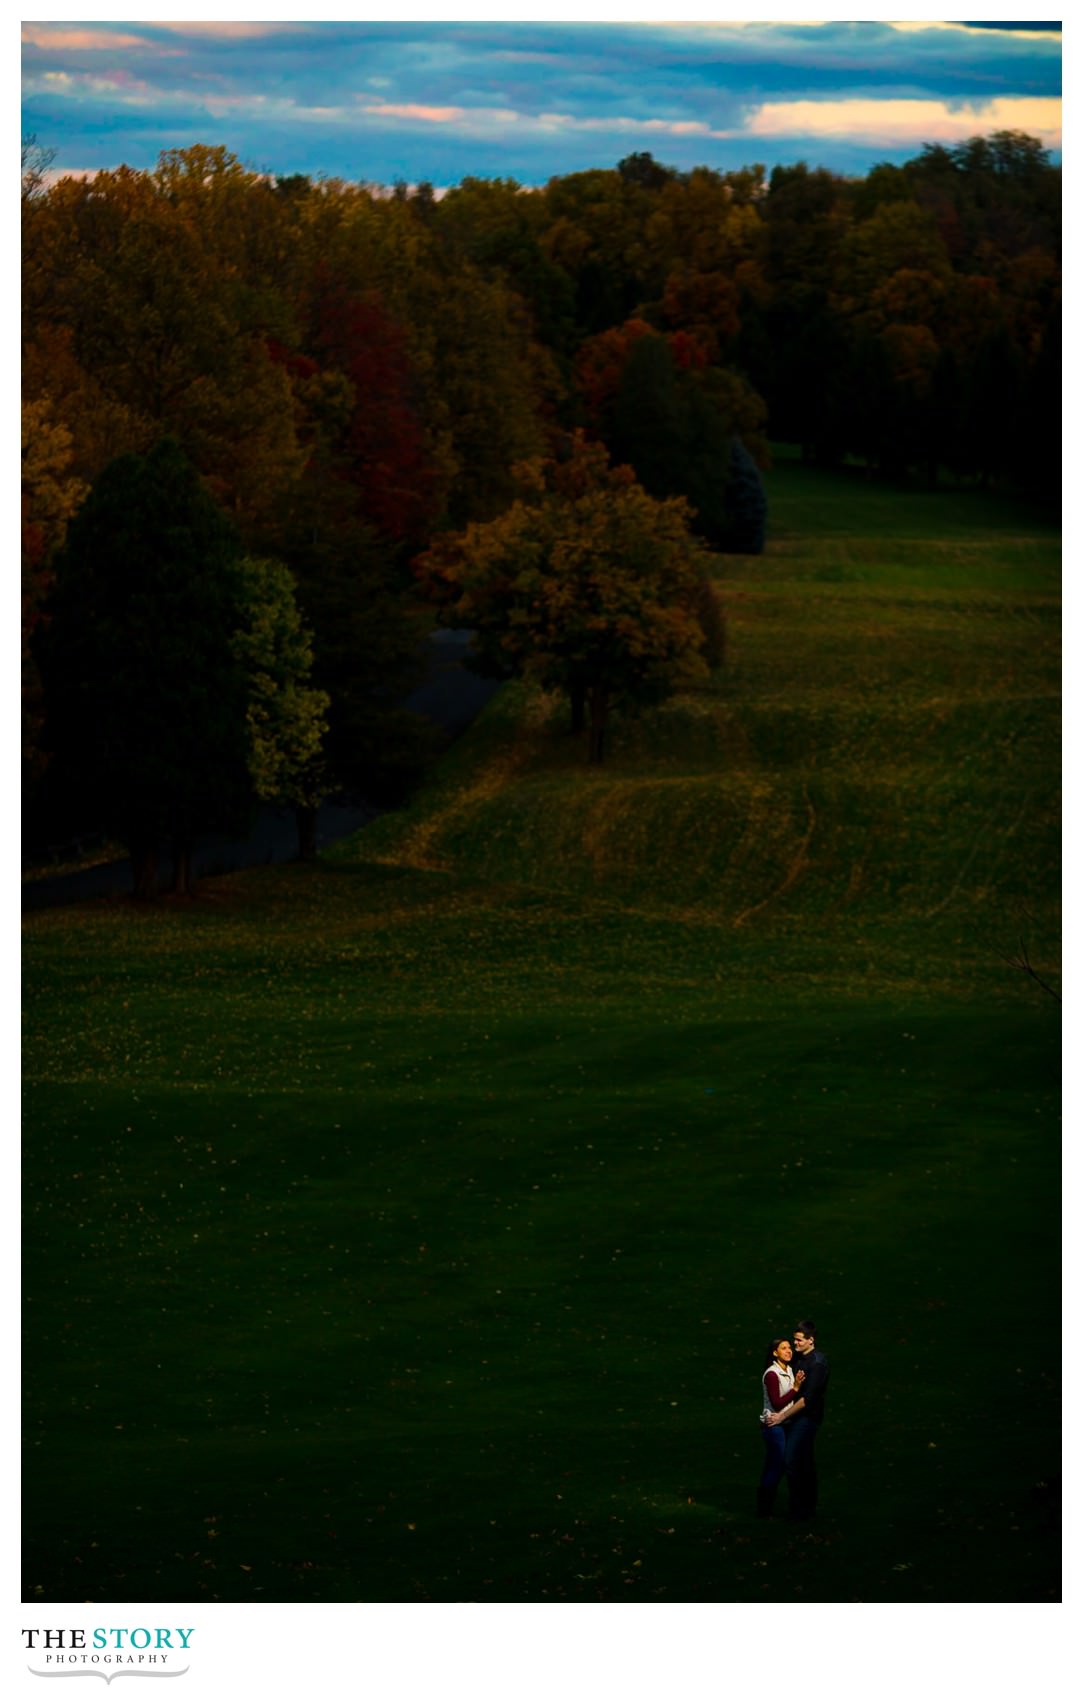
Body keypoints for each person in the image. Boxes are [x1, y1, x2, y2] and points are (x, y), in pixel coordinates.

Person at [764, 1320, 829, 1519]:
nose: (795, 1343)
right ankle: (805, 1509)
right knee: (804, 1462)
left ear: (811, 1340)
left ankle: (800, 1510)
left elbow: (806, 1400)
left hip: (806, 1419)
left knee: (792, 1460)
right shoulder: (800, 1359)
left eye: (799, 1340)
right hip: (796, 1419)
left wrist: (782, 1416)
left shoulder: (817, 1363)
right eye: (794, 1339)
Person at [757, 1338, 805, 1517]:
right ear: (775, 1353)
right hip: (773, 1426)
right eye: (783, 1348)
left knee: (774, 1465)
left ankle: (765, 1507)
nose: (789, 1351)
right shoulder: (772, 1374)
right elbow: (777, 1403)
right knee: (777, 1465)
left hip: (785, 1424)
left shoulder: (790, 1370)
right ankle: (764, 1508)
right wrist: (795, 1388)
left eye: (789, 1347)